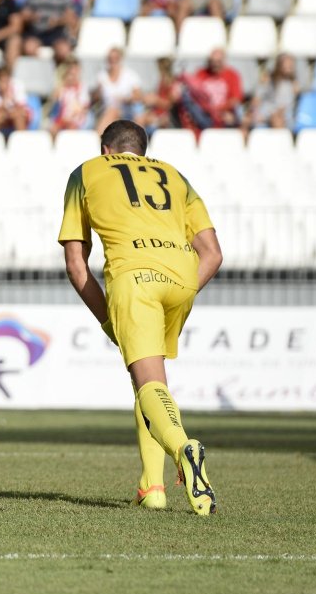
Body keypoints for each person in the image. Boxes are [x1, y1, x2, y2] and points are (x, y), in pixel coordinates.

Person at [58, 119, 222, 515]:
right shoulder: (174, 175)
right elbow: (213, 254)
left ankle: (184, 448)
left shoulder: (86, 172)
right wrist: (180, 288)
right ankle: (153, 488)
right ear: (141, 151)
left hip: (135, 279)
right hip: (183, 278)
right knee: (150, 382)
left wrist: (108, 321)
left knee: (148, 382)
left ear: (106, 150)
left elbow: (77, 266)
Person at [21, 0, 76, 64]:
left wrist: (58, 21)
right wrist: (31, 17)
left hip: (57, 32)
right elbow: (25, 15)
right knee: (29, 48)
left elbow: (70, 16)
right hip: (37, 32)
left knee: (63, 51)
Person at [185, 47, 242, 130]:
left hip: (224, 113)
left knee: (237, 113)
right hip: (205, 114)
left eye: (218, 61)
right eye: (212, 61)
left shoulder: (232, 75)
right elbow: (194, 96)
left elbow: (235, 99)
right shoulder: (200, 73)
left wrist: (219, 110)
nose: (215, 64)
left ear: (224, 61)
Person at [95, 47, 144, 130]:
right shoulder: (102, 76)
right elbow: (97, 97)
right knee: (111, 111)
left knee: (114, 112)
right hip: (108, 110)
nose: (113, 61)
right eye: (110, 59)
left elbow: (138, 96)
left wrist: (127, 99)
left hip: (127, 110)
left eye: (115, 58)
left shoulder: (130, 75)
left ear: (120, 59)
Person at [250, 53, 298, 131]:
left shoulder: (292, 84)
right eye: (287, 64)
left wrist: (277, 113)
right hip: (267, 111)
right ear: (280, 65)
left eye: (291, 65)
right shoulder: (268, 80)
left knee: (277, 120)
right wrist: (256, 113)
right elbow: (257, 99)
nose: (289, 67)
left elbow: (288, 107)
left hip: (283, 115)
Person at [51, 58, 92, 132]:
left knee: (71, 128)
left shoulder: (82, 88)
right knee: (53, 129)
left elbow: (83, 107)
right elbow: (55, 99)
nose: (72, 76)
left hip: (76, 119)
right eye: (70, 73)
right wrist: (62, 83)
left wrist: (72, 117)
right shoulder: (63, 88)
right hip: (63, 119)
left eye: (74, 73)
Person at [0, 66, 30, 133]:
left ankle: (23, 140)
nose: (3, 82)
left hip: (18, 113)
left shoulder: (18, 85)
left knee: (18, 115)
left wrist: (10, 96)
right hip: (4, 115)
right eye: (1, 80)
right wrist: (5, 96)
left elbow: (21, 106)